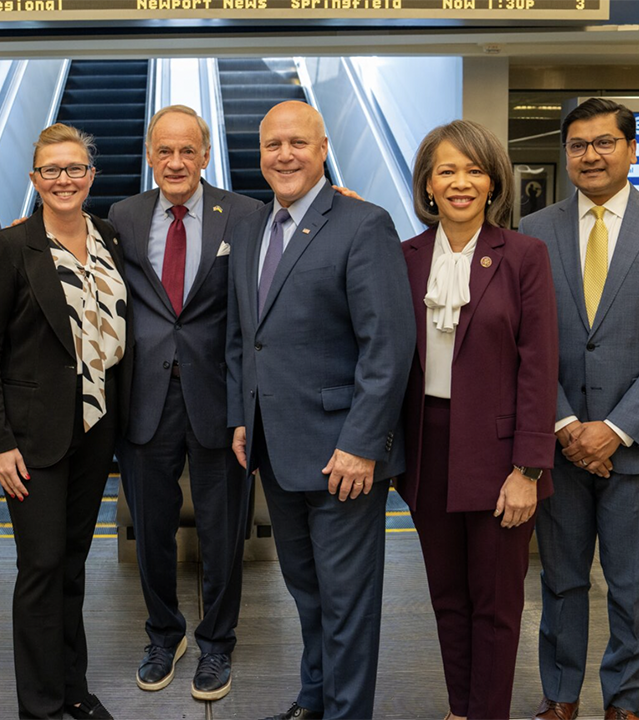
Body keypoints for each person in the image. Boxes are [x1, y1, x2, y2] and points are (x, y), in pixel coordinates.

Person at [226, 101, 415, 720]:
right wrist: (241, 417)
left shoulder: (364, 224)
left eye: (298, 143)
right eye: (272, 144)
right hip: (276, 450)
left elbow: (388, 347)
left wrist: (362, 444)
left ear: (324, 147)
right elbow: (244, 336)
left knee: (347, 603)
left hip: (343, 455)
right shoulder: (250, 226)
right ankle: (314, 701)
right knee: (307, 593)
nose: (284, 155)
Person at [518, 98, 639, 720]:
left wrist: (616, 429)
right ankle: (561, 696)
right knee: (560, 579)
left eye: (604, 143)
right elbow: (523, 340)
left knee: (630, 584)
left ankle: (624, 702)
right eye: (577, 145)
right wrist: (567, 425)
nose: (590, 156)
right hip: (559, 441)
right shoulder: (534, 230)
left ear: (631, 150)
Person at [397, 120, 559, 720]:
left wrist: (527, 468)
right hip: (427, 447)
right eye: (446, 171)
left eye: (474, 171)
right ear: (428, 184)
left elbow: (540, 365)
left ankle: (487, 713)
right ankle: (460, 708)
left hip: (499, 454)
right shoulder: (405, 258)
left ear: (493, 183)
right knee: (447, 596)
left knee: (495, 603)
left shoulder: (524, 256)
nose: (460, 183)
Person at [0, 123, 131, 720]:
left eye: (75, 168)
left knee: (72, 565)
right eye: (51, 170)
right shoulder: (11, 246)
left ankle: (73, 690)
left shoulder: (109, 236)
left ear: (91, 175)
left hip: (95, 428)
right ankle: (39, 706)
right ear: (35, 178)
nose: (64, 179)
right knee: (40, 566)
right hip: (31, 438)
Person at [107, 105, 262, 702]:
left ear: (205, 155)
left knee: (223, 532)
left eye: (187, 150)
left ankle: (217, 642)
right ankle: (163, 634)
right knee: (151, 531)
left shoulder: (244, 214)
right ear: (150, 155)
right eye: (165, 151)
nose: (176, 162)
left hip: (219, 398)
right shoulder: (123, 216)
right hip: (144, 398)